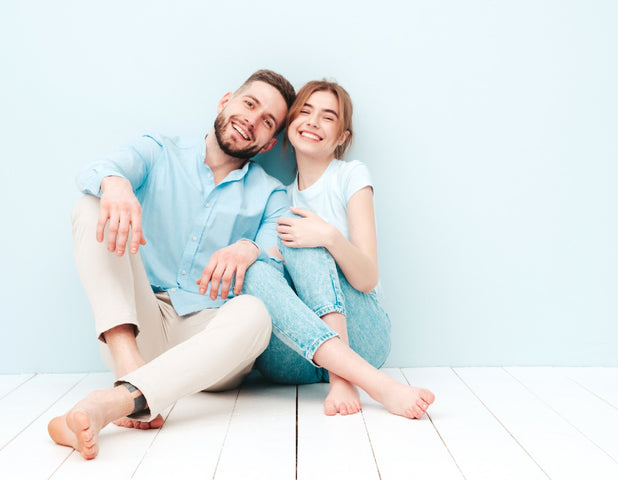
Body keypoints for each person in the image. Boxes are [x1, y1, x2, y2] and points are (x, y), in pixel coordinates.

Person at [48, 69, 297, 460]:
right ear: (225, 101)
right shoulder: (159, 150)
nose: (252, 119)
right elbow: (94, 171)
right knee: (89, 203)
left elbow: (278, 260)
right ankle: (130, 375)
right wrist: (116, 185)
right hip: (136, 329)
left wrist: (248, 248)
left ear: (268, 145)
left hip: (208, 342)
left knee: (257, 313)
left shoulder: (271, 194)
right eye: (249, 104)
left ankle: (114, 399)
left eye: (268, 121)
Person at [244, 80, 436, 417]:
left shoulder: (350, 175)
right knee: (257, 269)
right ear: (290, 124)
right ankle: (342, 373)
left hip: (364, 339)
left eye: (327, 117)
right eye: (305, 111)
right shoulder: (280, 197)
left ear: (342, 137)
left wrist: (330, 237)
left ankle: (350, 378)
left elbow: (366, 279)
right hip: (300, 353)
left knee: (307, 238)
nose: (313, 122)